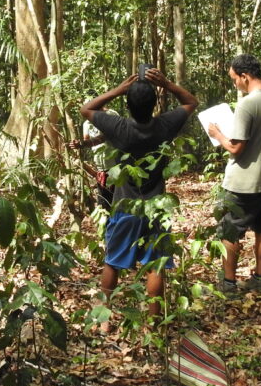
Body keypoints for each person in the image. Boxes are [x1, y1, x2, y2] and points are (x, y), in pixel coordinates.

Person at [81, 68, 198, 318]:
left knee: (113, 261)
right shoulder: (165, 125)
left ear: (128, 104)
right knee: (156, 265)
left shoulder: (118, 127)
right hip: (156, 208)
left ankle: (103, 320)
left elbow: (87, 109)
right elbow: (191, 101)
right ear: (155, 104)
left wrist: (119, 89)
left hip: (125, 206)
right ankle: (155, 321)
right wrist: (166, 84)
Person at [207, 53, 261, 292]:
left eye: (235, 79)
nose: (235, 84)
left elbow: (236, 147)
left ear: (245, 76)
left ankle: (228, 283)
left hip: (243, 182)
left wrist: (217, 134)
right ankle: (260, 279)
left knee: (230, 231)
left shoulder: (247, 104)